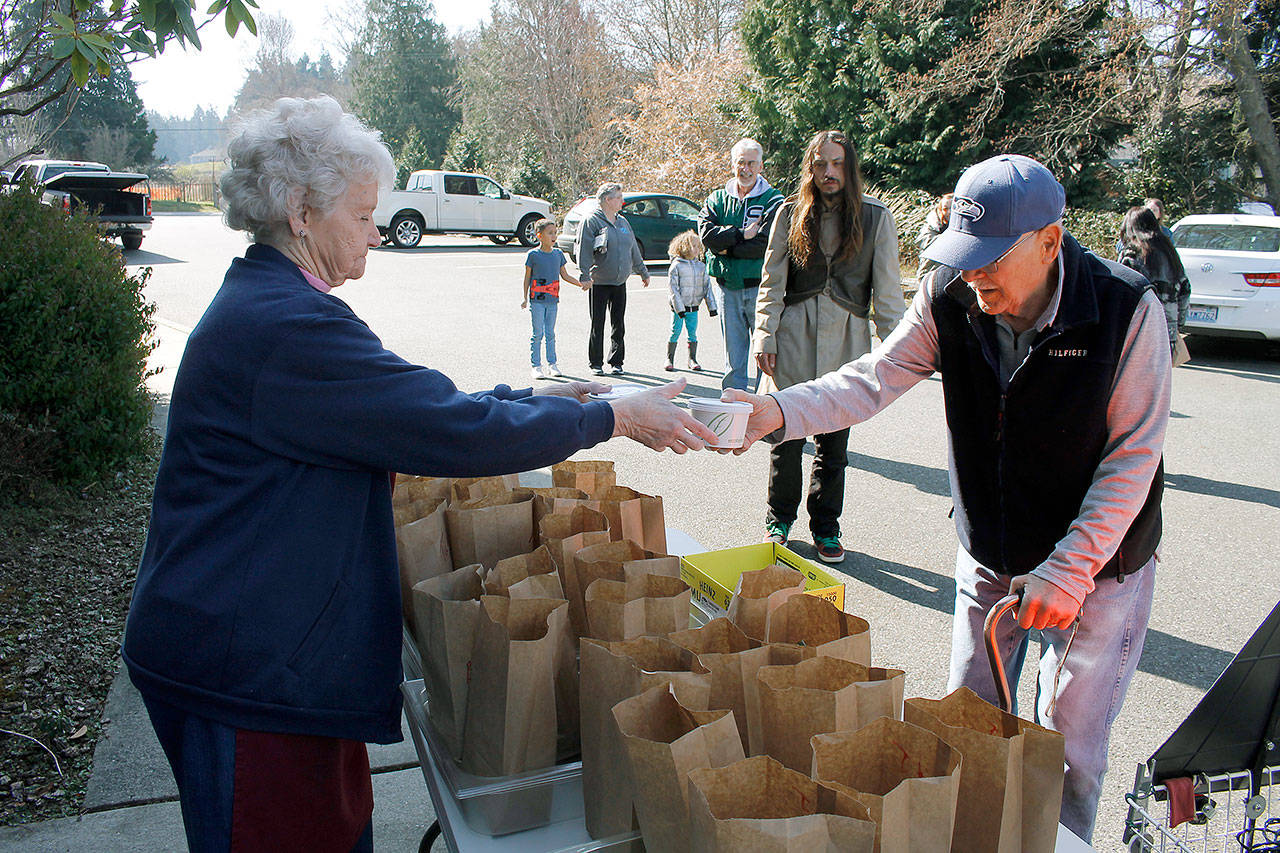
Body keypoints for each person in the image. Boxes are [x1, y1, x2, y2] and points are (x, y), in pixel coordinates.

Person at [122, 96, 715, 853]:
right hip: (247, 675)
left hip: (257, 656)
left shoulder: (274, 306)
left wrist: (545, 395)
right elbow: (448, 428)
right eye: (363, 212)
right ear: (301, 212)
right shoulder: (286, 326)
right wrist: (615, 418)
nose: (377, 229)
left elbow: (406, 408)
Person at [725, 154, 1170, 844]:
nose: (972, 273)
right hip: (991, 551)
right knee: (965, 720)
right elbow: (871, 379)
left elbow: (1132, 459)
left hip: (1099, 570)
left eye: (989, 258)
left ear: (1051, 241)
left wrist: (1071, 567)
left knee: (1070, 750)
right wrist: (776, 411)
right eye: (962, 255)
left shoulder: (1124, 309)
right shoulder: (950, 296)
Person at [753, 130, 904, 564]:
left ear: (849, 167)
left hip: (848, 340)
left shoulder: (876, 217)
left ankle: (826, 526)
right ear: (811, 167)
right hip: (793, 337)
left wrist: (897, 358)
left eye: (837, 164)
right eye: (820, 164)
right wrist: (765, 334)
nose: (828, 172)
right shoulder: (789, 212)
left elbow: (890, 296)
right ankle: (778, 520)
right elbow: (772, 282)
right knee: (783, 433)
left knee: (834, 443)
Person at [698, 138, 785, 391]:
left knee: (764, 356)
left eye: (751, 163)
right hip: (726, 289)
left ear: (760, 166)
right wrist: (741, 233)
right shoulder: (716, 199)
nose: (745, 169)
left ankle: (762, 414)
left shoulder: (773, 200)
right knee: (733, 361)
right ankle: (731, 417)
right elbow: (706, 236)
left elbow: (764, 244)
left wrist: (725, 247)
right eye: (740, 162)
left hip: (762, 290)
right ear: (732, 164)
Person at [577, 182, 649, 375]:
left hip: (619, 281)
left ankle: (616, 361)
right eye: (619, 197)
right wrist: (584, 274)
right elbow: (583, 249)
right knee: (597, 323)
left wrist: (642, 271)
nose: (622, 201)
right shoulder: (592, 221)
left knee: (618, 323)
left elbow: (633, 248)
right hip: (598, 281)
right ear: (607, 200)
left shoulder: (623, 222)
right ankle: (596, 363)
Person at [1119, 205, 1190, 357]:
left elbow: (1120, 291)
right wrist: (1178, 324)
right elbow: (1185, 289)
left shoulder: (1132, 253)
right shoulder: (1170, 252)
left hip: (1137, 332)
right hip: (1166, 332)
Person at [522, 218, 584, 380]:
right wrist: (524, 298)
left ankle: (552, 364)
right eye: (550, 233)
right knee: (538, 334)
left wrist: (580, 284)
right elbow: (527, 278)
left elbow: (565, 275)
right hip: (537, 301)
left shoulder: (558, 254)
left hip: (553, 300)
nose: (553, 236)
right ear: (539, 235)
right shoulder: (533, 255)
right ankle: (536, 366)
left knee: (550, 333)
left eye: (555, 233)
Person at [665, 230, 718, 372]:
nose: (697, 249)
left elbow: (707, 287)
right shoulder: (676, 266)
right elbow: (673, 289)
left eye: (698, 246)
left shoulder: (701, 266)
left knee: (692, 333)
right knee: (675, 331)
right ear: (684, 247)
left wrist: (712, 306)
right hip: (678, 308)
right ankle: (669, 358)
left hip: (694, 306)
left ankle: (692, 359)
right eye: (694, 246)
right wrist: (679, 308)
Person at [915, 192, 953, 282]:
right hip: (929, 274)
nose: (949, 212)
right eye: (945, 208)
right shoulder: (931, 225)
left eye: (952, 208)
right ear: (940, 210)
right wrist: (951, 238)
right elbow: (924, 242)